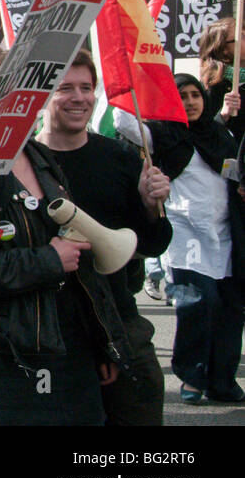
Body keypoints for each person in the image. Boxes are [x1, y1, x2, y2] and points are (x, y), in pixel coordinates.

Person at [0, 48, 135, 426]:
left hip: (69, 346)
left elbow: (78, 265)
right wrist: (49, 260)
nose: (30, 100)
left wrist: (100, 342)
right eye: (19, 90)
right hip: (10, 356)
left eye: (34, 89)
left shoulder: (41, 158)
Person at [36, 49, 172, 426]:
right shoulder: (25, 163)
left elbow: (154, 244)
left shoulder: (120, 158)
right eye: (65, 88)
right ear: (44, 96)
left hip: (120, 320)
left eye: (86, 87)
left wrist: (149, 207)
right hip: (58, 331)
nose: (79, 97)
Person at [118, 74, 245, 403]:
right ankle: (191, 376)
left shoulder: (220, 134)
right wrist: (123, 79)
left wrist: (231, 112)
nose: (190, 102)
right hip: (185, 233)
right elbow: (126, 123)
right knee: (198, 303)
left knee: (229, 307)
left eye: (195, 95)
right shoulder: (162, 134)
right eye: (182, 96)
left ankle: (222, 380)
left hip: (226, 234)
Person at [200, 17, 245, 143]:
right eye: (241, 36)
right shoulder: (213, 86)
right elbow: (202, 133)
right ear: (224, 49)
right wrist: (223, 115)